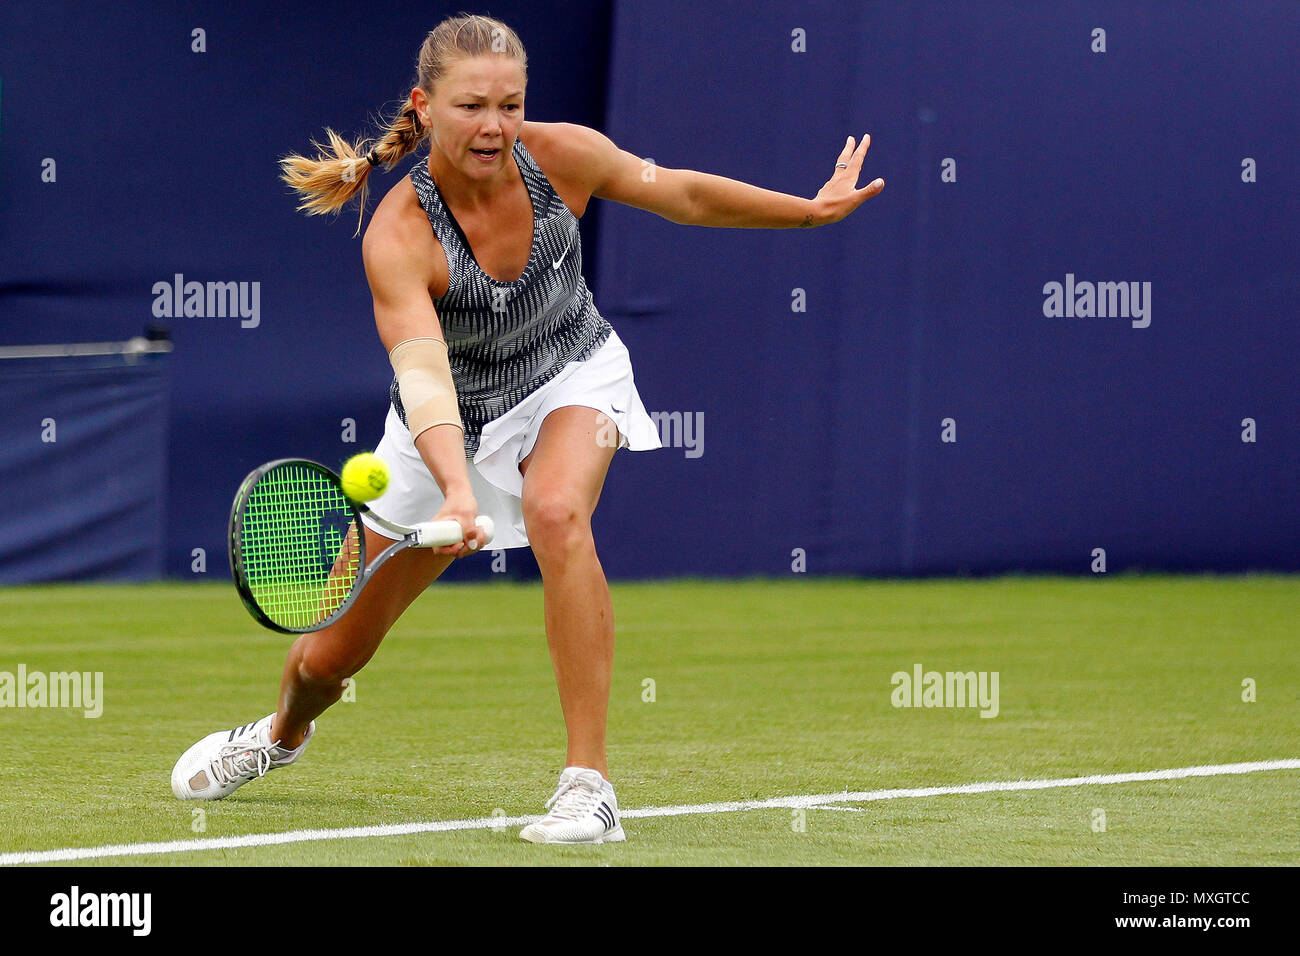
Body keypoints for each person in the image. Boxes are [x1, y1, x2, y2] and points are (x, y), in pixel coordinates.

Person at [170, 13, 882, 845]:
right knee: (326, 663)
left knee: (555, 513)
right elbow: (425, 377)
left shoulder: (560, 155)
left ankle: (589, 787)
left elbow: (681, 192)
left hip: (573, 375)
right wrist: (460, 490)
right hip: (445, 427)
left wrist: (809, 212)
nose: (495, 126)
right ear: (425, 107)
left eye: (510, 104)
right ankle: (280, 737)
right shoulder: (400, 234)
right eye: (473, 106)